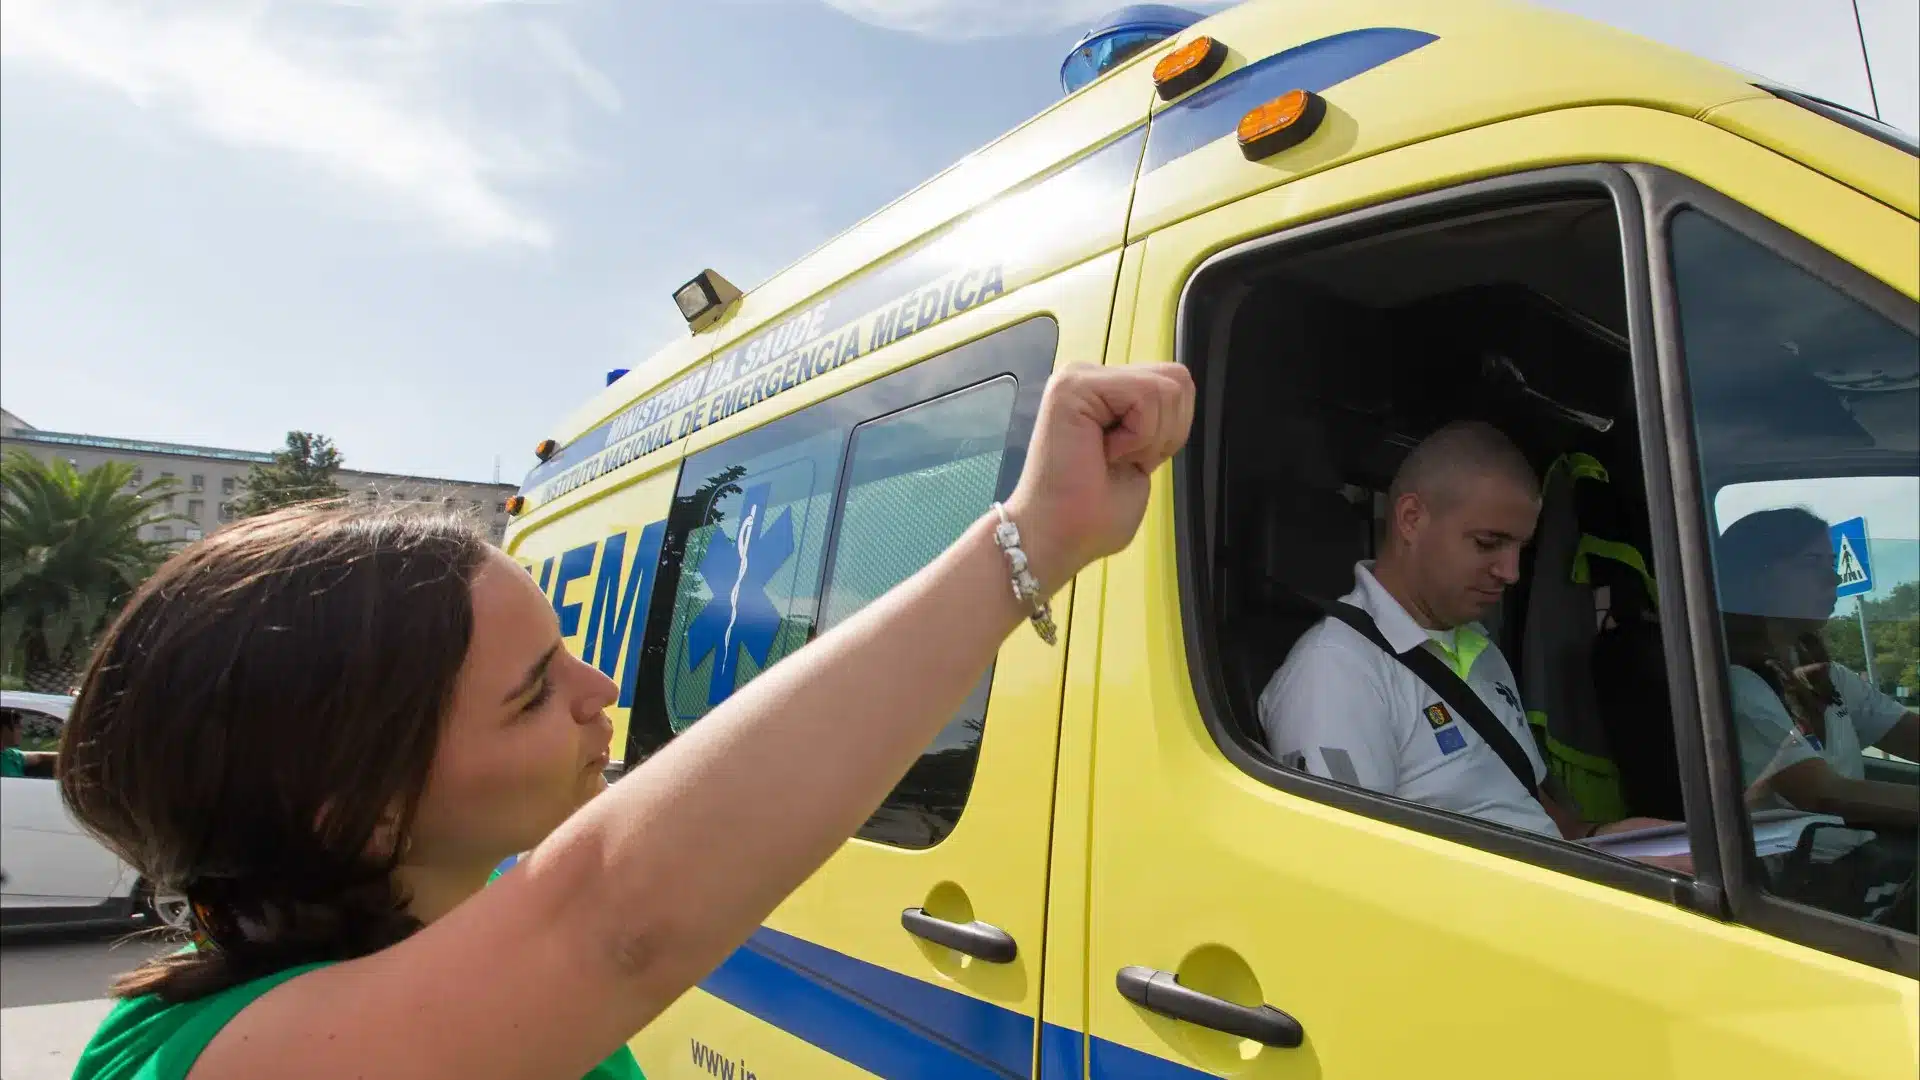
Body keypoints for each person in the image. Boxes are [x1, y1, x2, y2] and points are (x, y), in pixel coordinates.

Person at [58, 362, 1194, 1080]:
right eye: (531, 691)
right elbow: (612, 913)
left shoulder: (455, 925)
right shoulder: (216, 1063)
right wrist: (1030, 541)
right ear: (357, 808)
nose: (602, 692)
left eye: (564, 652)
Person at [1259, 422, 1666, 842]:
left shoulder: (1479, 647)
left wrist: (1608, 841)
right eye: (1489, 543)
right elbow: (1348, 867)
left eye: (1519, 550)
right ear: (1411, 519)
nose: (1511, 573)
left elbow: (1520, 800)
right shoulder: (1337, 673)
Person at [1716, 507, 1918, 825]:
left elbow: (1909, 736)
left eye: (1832, 563)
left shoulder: (1828, 677)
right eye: (1812, 563)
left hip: (1856, 862)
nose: (1834, 577)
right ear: (1756, 574)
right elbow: (1823, 794)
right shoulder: (1735, 684)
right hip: (1793, 872)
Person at [1, 708, 58, 778]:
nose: (22, 731)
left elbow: (40, 757)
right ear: (4, 729)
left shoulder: (11, 755)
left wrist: (68, 755)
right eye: (18, 727)